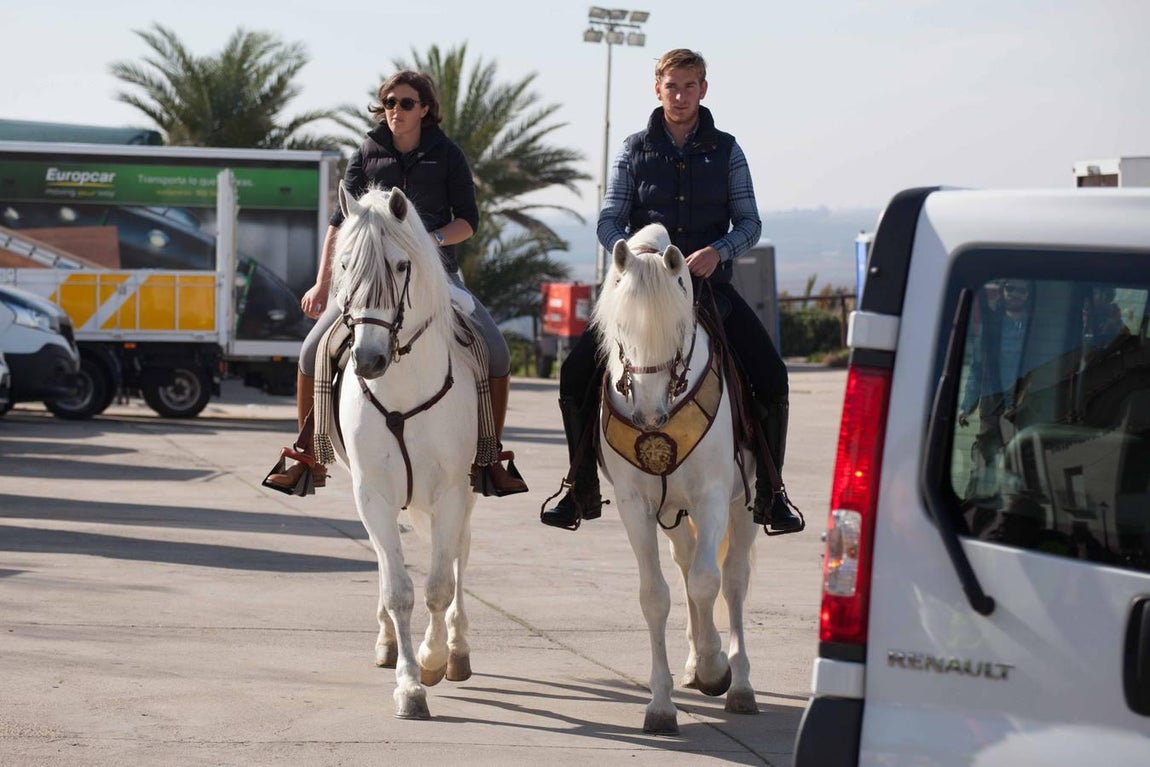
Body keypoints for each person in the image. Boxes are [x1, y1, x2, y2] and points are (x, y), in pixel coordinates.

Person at [540, 48, 802, 535]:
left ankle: (771, 491)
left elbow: (750, 222)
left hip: (708, 292)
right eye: (671, 86)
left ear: (704, 89)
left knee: (772, 374)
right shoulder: (633, 149)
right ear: (657, 89)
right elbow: (608, 218)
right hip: (641, 292)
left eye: (689, 86)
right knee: (576, 373)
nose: (680, 96)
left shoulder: (728, 150)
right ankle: (579, 487)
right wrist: (627, 254)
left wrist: (719, 250)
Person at [264, 70, 527, 497]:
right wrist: (321, 283)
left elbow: (468, 222)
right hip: (368, 286)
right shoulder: (367, 152)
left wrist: (430, 239)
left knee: (494, 350)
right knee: (312, 350)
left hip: (439, 278)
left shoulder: (448, 154)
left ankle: (489, 457)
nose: (395, 111)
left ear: (425, 109)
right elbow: (339, 223)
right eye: (389, 102)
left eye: (406, 103)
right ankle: (307, 454)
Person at [958, 279, 1034, 500]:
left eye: (1022, 290)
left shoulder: (1034, 328)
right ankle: (976, 504)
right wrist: (967, 405)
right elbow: (977, 368)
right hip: (993, 400)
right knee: (985, 458)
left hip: (1024, 402)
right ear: (1003, 291)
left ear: (1029, 296)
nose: (1015, 294)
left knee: (1018, 461)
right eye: (1011, 288)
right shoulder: (991, 325)